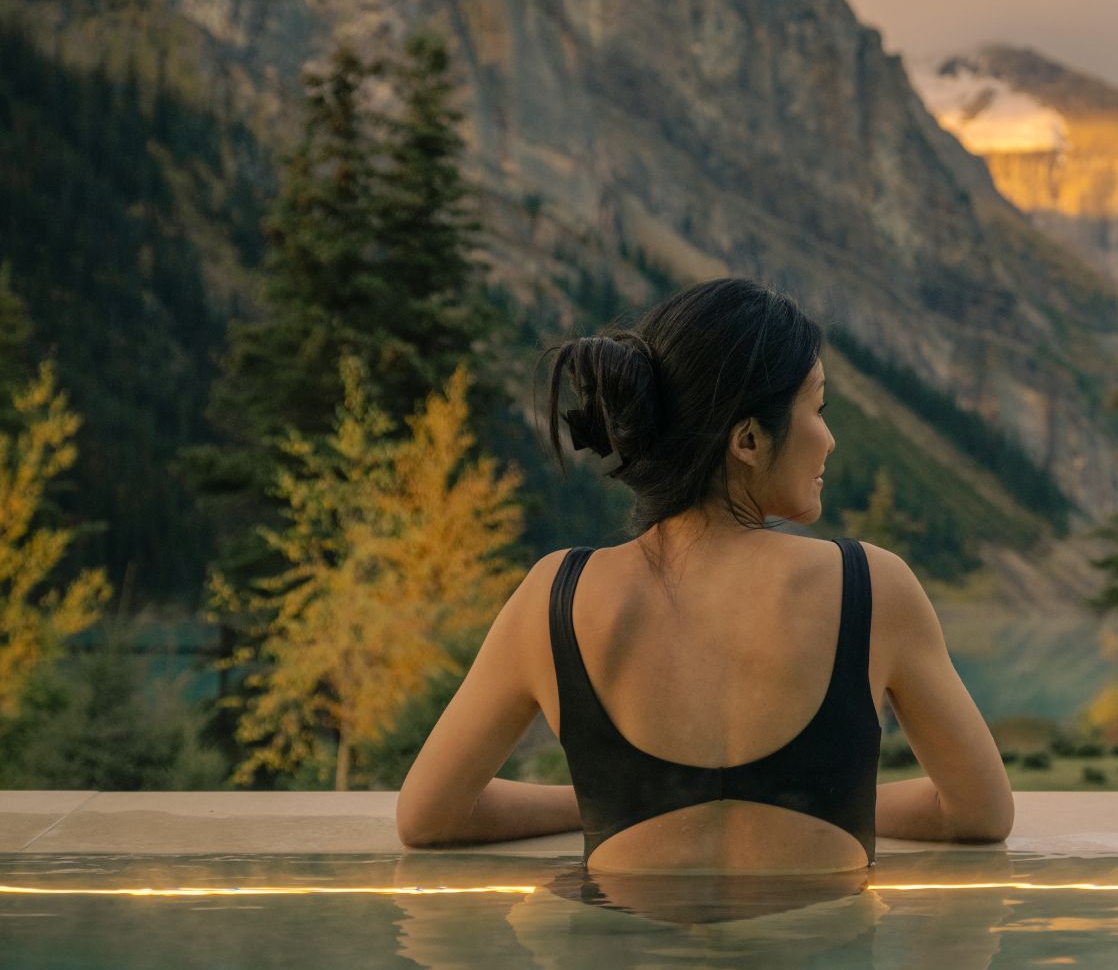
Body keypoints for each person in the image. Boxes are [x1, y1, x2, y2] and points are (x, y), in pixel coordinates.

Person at [395, 276, 1015, 872]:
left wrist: (604, 803)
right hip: (817, 963)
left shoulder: (556, 596)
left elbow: (429, 818)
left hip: (620, 967)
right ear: (746, 439)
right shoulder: (871, 587)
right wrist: (832, 802)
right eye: (817, 409)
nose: (829, 440)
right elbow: (980, 814)